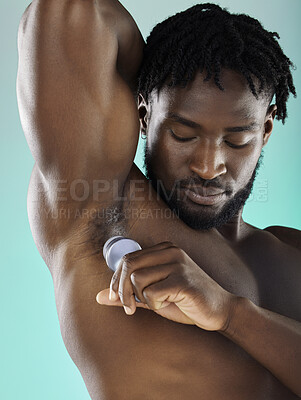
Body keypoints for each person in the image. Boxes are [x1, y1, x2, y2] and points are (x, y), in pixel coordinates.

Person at [17, 1, 301, 399]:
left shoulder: (293, 251)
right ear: (145, 116)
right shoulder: (104, 208)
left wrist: (230, 313)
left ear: (266, 129)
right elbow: (71, 10)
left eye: (236, 139)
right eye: (183, 134)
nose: (207, 166)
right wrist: (155, 71)